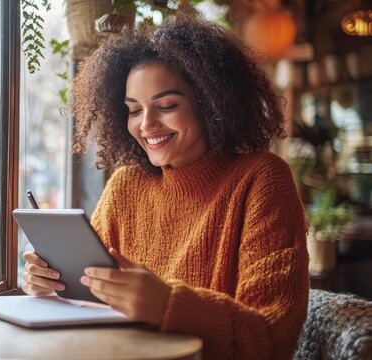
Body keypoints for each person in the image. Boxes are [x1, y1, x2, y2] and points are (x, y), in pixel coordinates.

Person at [22, 16, 309, 360]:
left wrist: (167, 304)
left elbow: (271, 339)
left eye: (167, 106)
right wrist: (50, 284)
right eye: (133, 110)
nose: (146, 125)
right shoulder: (125, 187)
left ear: (211, 102)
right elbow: (92, 297)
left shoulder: (261, 180)